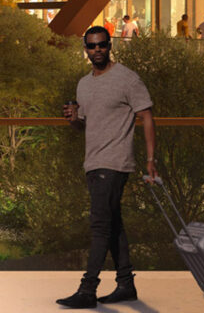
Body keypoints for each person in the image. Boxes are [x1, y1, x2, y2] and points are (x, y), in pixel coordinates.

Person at [57, 25, 156, 308]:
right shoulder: (83, 84)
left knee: (100, 224)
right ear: (86, 49)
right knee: (113, 226)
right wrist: (73, 118)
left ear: (110, 45)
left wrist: (151, 160)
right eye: (91, 46)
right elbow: (84, 125)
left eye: (102, 45)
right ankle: (126, 284)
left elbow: (147, 116)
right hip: (93, 161)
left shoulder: (127, 78)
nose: (97, 50)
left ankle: (88, 289)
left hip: (114, 162)